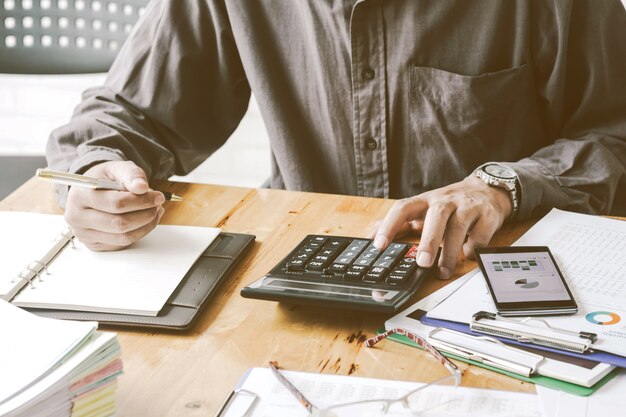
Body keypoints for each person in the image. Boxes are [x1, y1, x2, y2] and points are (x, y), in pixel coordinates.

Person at [46, 0, 626, 279]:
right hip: (305, 264)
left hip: (495, 271)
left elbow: (614, 135)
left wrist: (501, 186)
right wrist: (98, 172)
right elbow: (128, 113)